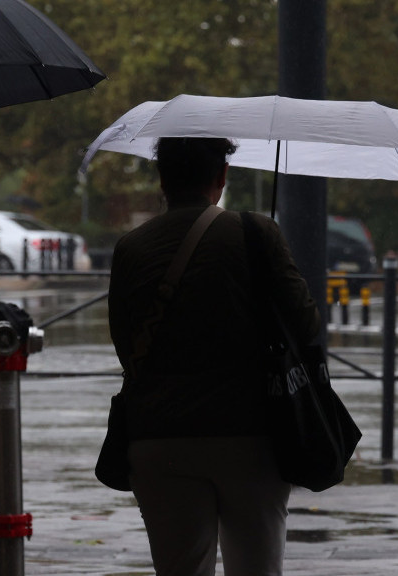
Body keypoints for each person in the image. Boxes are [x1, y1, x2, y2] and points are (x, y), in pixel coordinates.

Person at [108, 136, 319, 576]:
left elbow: (125, 345)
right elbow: (305, 326)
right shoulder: (256, 232)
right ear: (221, 177)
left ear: (163, 179)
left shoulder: (132, 247)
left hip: (158, 437)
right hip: (252, 437)